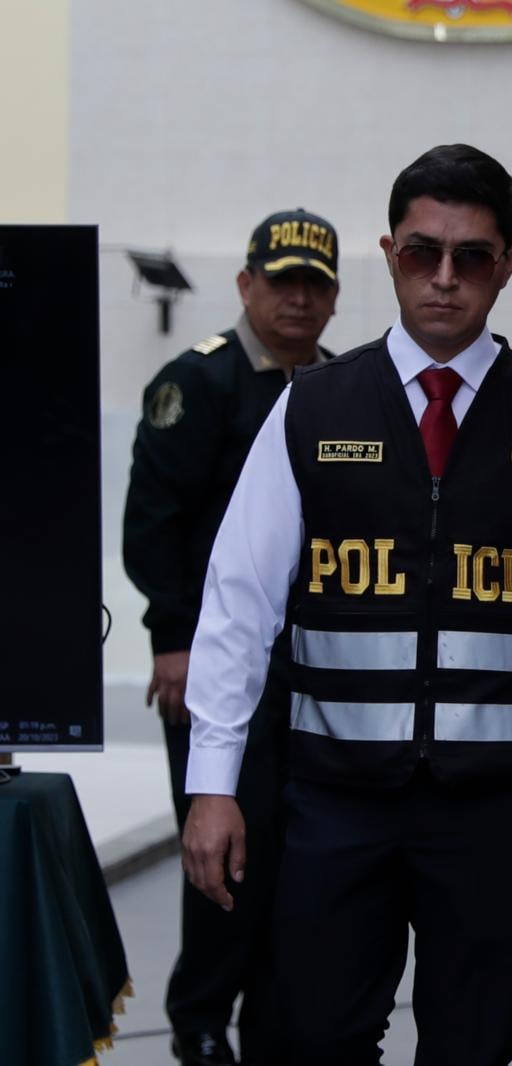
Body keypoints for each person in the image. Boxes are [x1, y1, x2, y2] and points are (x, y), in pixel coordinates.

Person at [178, 144, 512, 1066]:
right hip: (338, 802)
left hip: (494, 811)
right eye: (424, 253)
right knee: (314, 1035)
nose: (446, 279)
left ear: (509, 265)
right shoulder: (312, 409)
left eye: (473, 257)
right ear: (389, 254)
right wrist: (213, 783)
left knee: (473, 1042)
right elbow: (239, 602)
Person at [123, 207, 340, 1066]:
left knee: (301, 861)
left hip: (317, 670)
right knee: (226, 850)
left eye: (313, 284)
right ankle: (202, 1020)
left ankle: (277, 1023)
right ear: (246, 284)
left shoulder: (343, 388)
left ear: (332, 298)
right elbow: (154, 524)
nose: (295, 298)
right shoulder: (202, 383)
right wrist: (172, 638)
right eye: (280, 280)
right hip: (214, 665)